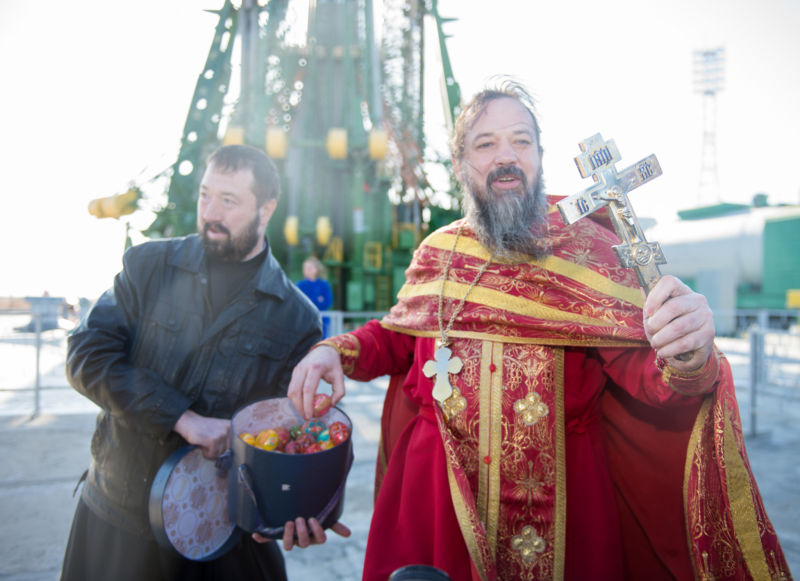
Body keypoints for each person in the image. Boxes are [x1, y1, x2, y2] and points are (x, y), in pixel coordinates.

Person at [287, 81, 792, 580]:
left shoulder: (586, 252)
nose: (506, 156)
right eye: (486, 144)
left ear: (539, 157)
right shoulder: (439, 251)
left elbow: (647, 376)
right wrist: (335, 351)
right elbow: (398, 337)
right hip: (438, 498)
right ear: (463, 164)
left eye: (521, 140)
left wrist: (686, 351)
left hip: (567, 501)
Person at [60, 144, 349, 581]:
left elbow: (286, 437)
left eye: (228, 201)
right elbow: (86, 356)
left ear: (266, 209)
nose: (210, 212)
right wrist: (182, 418)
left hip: (221, 533)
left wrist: (298, 507)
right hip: (117, 518)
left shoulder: (297, 318)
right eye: (205, 195)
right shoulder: (148, 266)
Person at [296, 256, 334, 338]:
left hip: (322, 322)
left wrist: (310, 300)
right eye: (305, 268)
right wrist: (318, 300)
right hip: (305, 322)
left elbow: (327, 302)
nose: (307, 270)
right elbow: (300, 303)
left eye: (310, 268)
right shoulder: (300, 285)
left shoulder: (324, 285)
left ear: (316, 269)